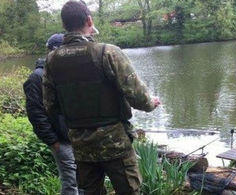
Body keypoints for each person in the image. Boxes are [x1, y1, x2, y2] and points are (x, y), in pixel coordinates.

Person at [43, 1, 160, 194]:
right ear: (89, 20)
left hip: (81, 146)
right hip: (115, 143)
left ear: (65, 25)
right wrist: (151, 103)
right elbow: (138, 96)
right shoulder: (107, 52)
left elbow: (50, 105)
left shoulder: (52, 60)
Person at [23, 33, 79, 195]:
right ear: (54, 51)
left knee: (84, 179)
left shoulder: (67, 73)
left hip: (78, 137)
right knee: (71, 182)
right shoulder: (37, 77)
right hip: (60, 141)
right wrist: (52, 141)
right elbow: (35, 113)